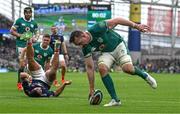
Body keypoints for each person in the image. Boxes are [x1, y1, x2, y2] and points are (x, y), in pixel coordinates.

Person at [69, 17, 157, 107]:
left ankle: (144, 75)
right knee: (102, 69)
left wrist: (136, 26)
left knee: (128, 69)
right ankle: (115, 99)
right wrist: (91, 88)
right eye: (78, 45)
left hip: (118, 45)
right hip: (107, 53)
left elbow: (117, 20)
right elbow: (90, 67)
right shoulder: (85, 48)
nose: (81, 46)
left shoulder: (97, 28)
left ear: (84, 35)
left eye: (80, 43)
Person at [10, 7, 38, 91]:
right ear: (24, 13)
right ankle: (19, 82)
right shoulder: (19, 21)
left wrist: (35, 38)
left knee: (29, 64)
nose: (28, 14)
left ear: (31, 14)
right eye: (27, 13)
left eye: (30, 13)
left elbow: (37, 33)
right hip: (20, 45)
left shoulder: (34, 23)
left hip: (30, 45)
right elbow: (11, 31)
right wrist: (21, 36)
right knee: (23, 64)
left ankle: (27, 82)